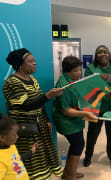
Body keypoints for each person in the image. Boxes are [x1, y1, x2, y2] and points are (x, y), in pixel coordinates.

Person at [3, 48, 63, 179]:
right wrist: (48, 95)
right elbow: (26, 106)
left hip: (39, 123)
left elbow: (39, 102)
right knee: (31, 157)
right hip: (24, 127)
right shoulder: (12, 82)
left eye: (34, 60)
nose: (35, 63)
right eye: (30, 61)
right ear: (20, 65)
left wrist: (46, 120)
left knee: (43, 154)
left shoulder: (33, 79)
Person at [83, 45, 111, 171]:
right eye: (99, 52)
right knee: (92, 133)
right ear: (96, 55)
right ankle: (88, 155)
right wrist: (98, 80)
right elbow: (86, 85)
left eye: (105, 52)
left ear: (109, 55)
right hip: (96, 107)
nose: (103, 54)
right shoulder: (91, 68)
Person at [53, 56, 98, 179]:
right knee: (78, 144)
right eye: (75, 71)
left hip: (75, 119)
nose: (79, 73)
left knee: (76, 145)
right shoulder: (63, 85)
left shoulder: (73, 81)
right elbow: (66, 110)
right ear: (67, 72)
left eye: (79, 70)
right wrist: (85, 114)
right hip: (66, 120)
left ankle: (68, 172)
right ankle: (70, 175)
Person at [0, 113, 39, 180]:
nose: (17, 137)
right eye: (14, 135)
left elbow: (16, 160)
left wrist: (31, 152)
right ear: (2, 138)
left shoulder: (11, 146)